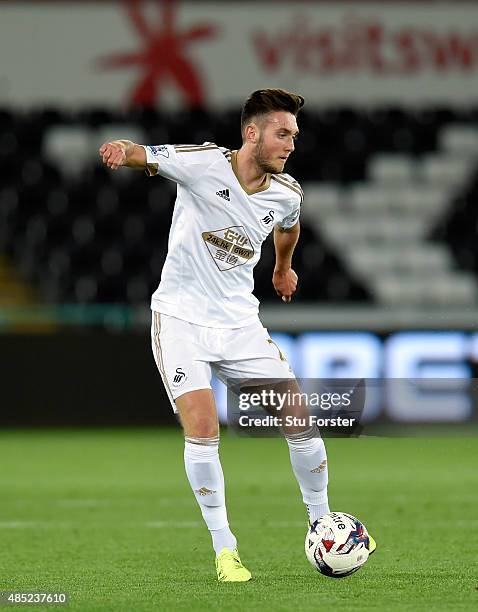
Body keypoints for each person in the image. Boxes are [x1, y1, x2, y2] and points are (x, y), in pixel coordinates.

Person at [99, 88, 374, 582]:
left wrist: (283, 268)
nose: (291, 144)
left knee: (299, 418)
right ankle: (225, 550)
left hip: (240, 324)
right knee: (203, 427)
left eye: (294, 135)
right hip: (181, 320)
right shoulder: (202, 164)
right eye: (282, 133)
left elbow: (288, 227)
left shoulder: (286, 193)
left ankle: (322, 521)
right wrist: (124, 151)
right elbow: (147, 156)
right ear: (252, 133)